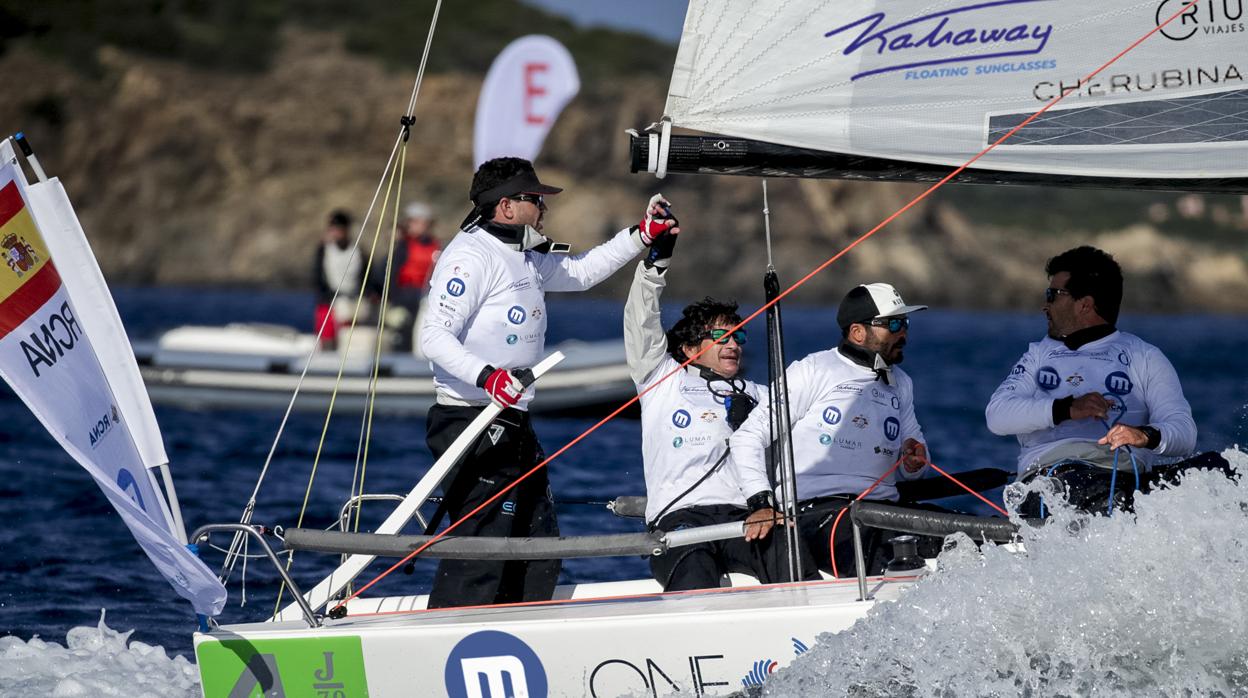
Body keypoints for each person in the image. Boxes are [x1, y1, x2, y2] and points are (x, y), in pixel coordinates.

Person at [418, 156, 675, 608]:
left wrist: (641, 236)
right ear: (506, 206)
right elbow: (433, 336)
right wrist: (488, 377)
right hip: (470, 418)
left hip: (512, 417)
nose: (543, 207)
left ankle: (522, 617)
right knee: (487, 540)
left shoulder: (523, 253)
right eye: (535, 199)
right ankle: (456, 628)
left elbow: (581, 272)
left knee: (537, 537)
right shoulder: (471, 256)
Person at [623, 207, 810, 591]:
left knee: (790, 552)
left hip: (746, 517)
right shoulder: (661, 379)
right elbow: (641, 320)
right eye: (721, 337)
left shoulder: (761, 395)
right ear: (690, 348)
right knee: (694, 576)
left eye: (738, 337)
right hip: (682, 519)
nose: (733, 345)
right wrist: (657, 263)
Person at [729, 283, 932, 577]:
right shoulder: (813, 370)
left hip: (882, 509)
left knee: (974, 538)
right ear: (858, 332)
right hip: (819, 513)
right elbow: (747, 438)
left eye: (906, 323)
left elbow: (913, 469)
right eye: (894, 323)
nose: (904, 333)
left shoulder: (901, 383)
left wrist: (914, 463)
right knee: (879, 551)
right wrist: (761, 503)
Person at [986, 246, 1197, 513]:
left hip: (1126, 477)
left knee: (1215, 468)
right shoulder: (1039, 355)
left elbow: (1184, 431)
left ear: (1084, 304)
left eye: (1053, 295)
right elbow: (997, 416)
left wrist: (1144, 435)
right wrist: (1067, 409)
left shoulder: (1145, 356)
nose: (1045, 305)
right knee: (1099, 494)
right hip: (1055, 478)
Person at [377, 202, 440, 353]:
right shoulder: (402, 246)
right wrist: (393, 302)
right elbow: (389, 274)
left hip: (425, 299)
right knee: (402, 331)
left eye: (418, 222)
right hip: (403, 297)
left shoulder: (435, 246)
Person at [312, 209, 364, 350]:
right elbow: (317, 277)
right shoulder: (324, 250)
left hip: (350, 303)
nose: (335, 233)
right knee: (327, 337)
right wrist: (328, 295)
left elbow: (366, 277)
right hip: (328, 303)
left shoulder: (358, 252)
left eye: (338, 229)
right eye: (332, 229)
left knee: (348, 341)